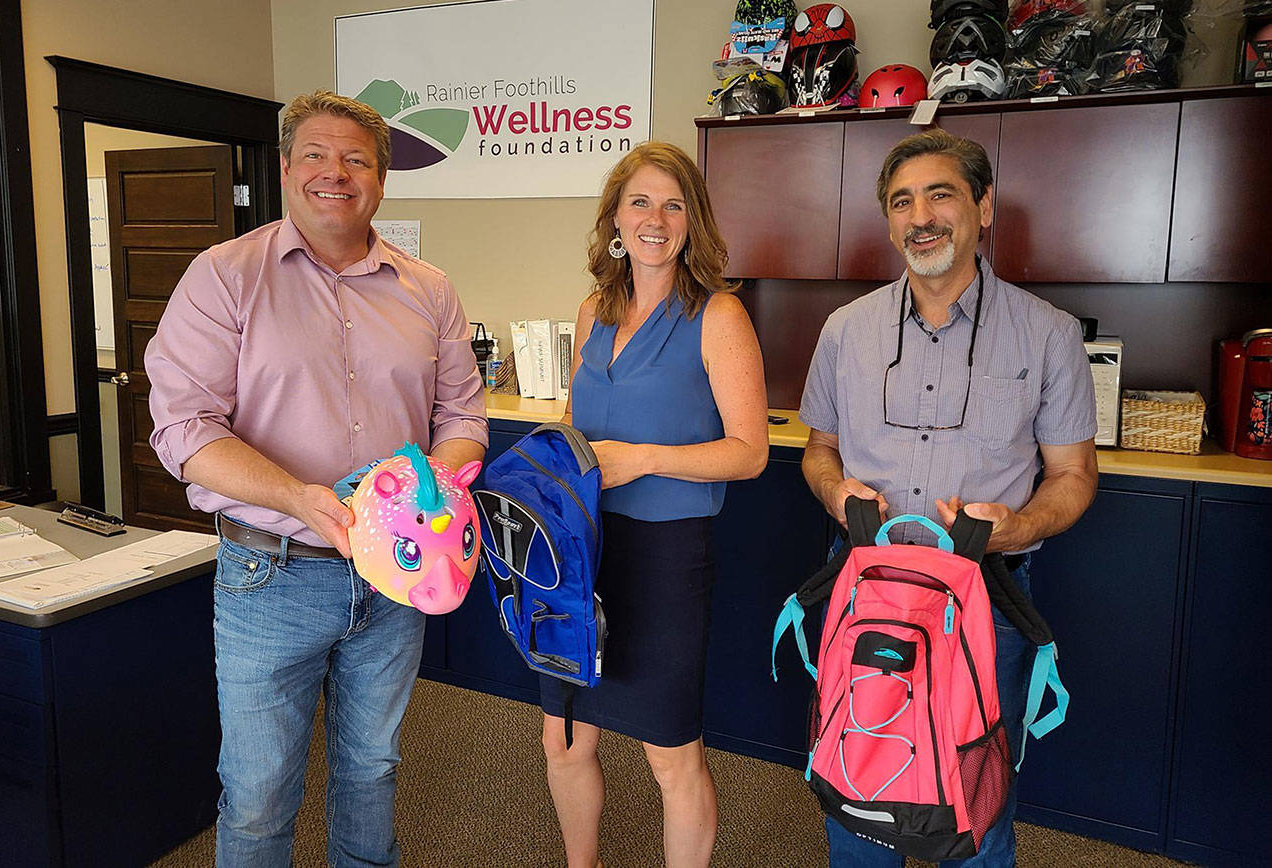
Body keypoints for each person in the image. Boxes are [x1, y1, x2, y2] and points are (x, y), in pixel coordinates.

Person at [144, 90, 487, 867]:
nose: (336, 173)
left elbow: (464, 418)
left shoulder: (427, 289)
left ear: (381, 178)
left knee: (372, 770)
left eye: (357, 159)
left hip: (396, 579)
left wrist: (439, 478)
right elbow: (185, 431)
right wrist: (297, 496)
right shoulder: (224, 276)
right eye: (317, 156)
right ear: (286, 168)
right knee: (261, 791)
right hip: (272, 572)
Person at [799, 128, 1098, 867]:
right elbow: (818, 451)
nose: (920, 215)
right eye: (902, 201)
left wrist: (1018, 524)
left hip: (984, 601)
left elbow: (1074, 475)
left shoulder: (1049, 335)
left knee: (973, 797)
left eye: (940, 194)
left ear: (983, 206)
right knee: (858, 778)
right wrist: (836, 491)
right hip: (865, 590)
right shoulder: (844, 332)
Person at [542, 142, 769, 868]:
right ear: (615, 216)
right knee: (565, 735)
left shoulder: (718, 315)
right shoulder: (592, 312)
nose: (655, 217)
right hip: (582, 548)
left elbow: (750, 450)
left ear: (692, 221)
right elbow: (578, 432)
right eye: (639, 200)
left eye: (673, 203)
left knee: (670, 753)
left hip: (668, 556)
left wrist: (643, 459)